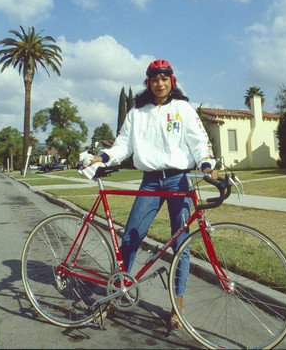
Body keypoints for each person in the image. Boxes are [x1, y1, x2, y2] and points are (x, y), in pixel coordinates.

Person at [81, 59, 218, 330]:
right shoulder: (137, 113)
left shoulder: (183, 109)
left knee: (182, 245)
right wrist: (103, 156)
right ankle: (114, 295)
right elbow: (122, 146)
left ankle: (177, 307)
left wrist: (207, 165)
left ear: (172, 81)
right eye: (155, 78)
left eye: (165, 78)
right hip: (151, 182)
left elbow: (200, 142)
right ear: (149, 82)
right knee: (130, 237)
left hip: (179, 180)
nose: (160, 83)